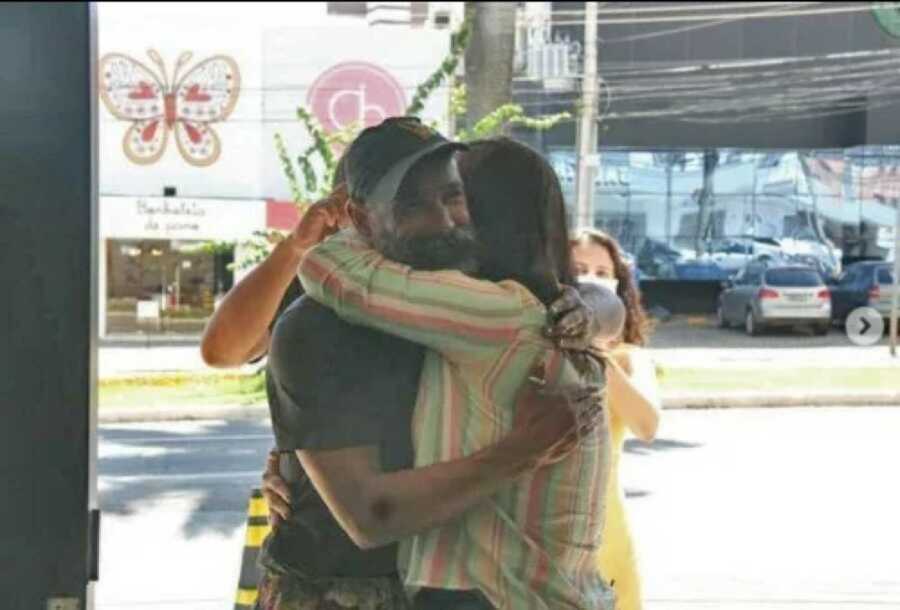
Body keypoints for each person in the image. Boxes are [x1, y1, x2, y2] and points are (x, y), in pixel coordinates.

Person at [200, 119, 625, 609]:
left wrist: (593, 308)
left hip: (441, 582)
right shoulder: (324, 313)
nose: (445, 219)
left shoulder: (467, 295)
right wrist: (300, 244)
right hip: (338, 584)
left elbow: (571, 300)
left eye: (452, 196)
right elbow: (225, 349)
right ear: (356, 218)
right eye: (413, 205)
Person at [571, 228, 662, 610]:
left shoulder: (626, 359)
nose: (590, 279)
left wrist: (594, 352)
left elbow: (647, 425)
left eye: (601, 271)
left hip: (604, 530)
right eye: (578, 269)